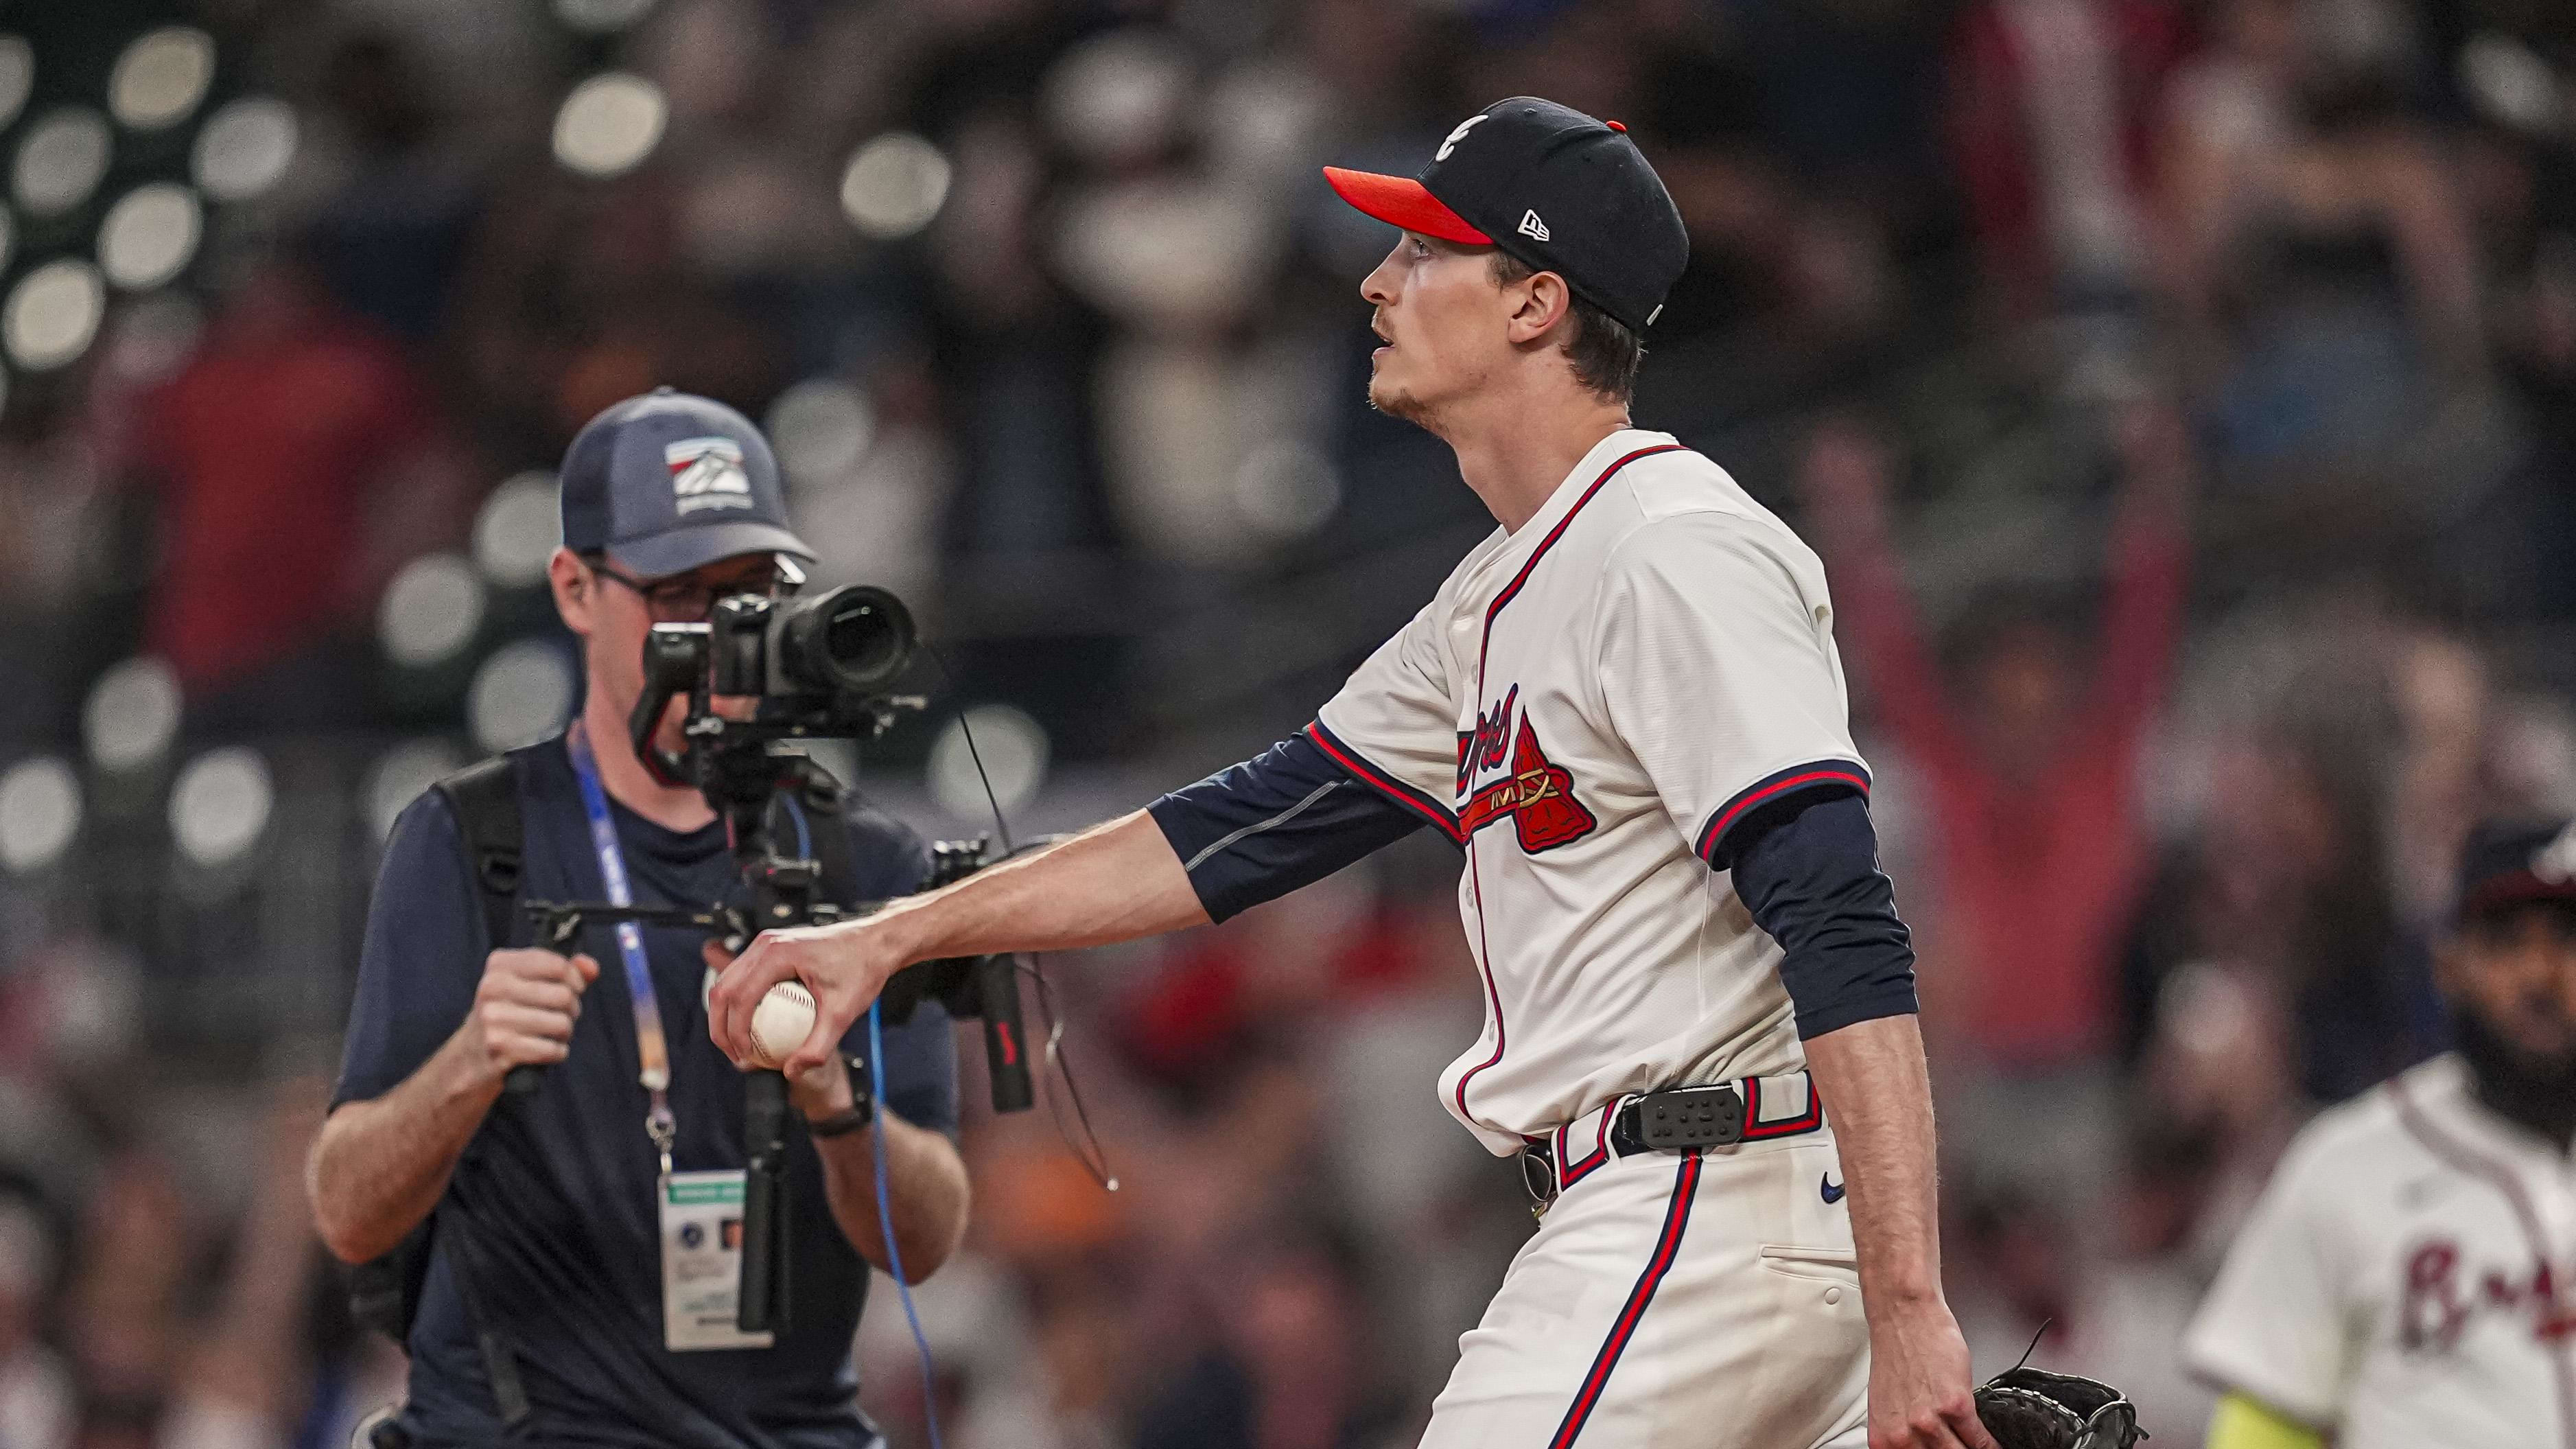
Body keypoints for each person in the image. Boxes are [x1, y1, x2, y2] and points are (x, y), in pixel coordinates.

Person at [712, 100, 1992, 1449]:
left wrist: (1910, 1296)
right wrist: (894, 935)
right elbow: (1232, 832)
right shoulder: (1491, 597)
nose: (1377, 280)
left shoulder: (1671, 544)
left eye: (1424, 253)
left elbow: (1838, 910)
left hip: (1703, 1198)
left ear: (1533, 303)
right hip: (1689, 1208)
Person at [307, 391, 971, 1448]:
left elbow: (926, 1233)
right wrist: (470, 1060)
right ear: (575, 587)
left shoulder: (861, 858)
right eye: (677, 594)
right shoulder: (473, 840)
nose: (720, 632)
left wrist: (835, 1100)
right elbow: (346, 1207)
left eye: (749, 592)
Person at [2183, 817, 2576, 1448]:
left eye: (2568, 936)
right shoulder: (2345, 1165)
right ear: (2449, 965)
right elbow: (2263, 1426)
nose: (2541, 973)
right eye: (2505, 941)